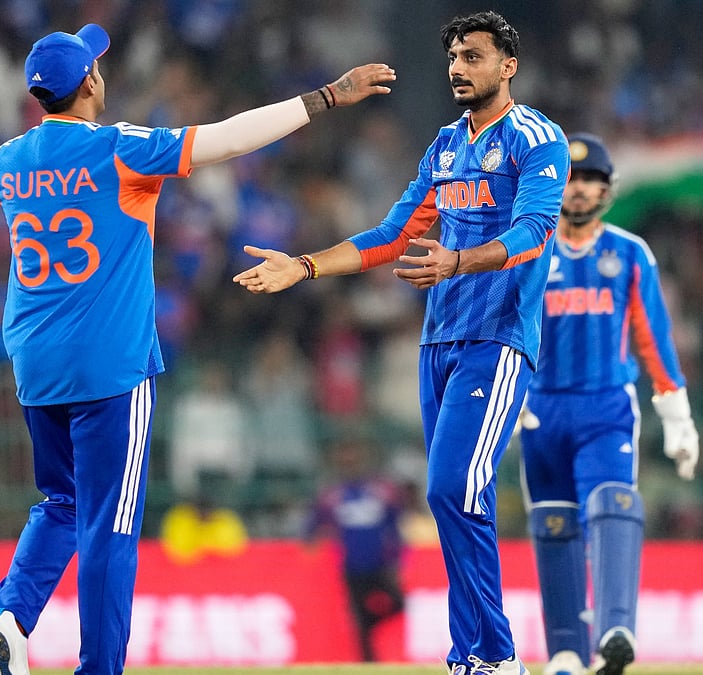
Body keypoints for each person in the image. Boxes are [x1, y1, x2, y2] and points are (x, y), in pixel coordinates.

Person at [0, 22, 395, 675]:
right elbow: (228, 137)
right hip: (111, 365)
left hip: (36, 362)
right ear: (90, 82)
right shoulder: (121, 148)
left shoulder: (11, 158)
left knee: (61, 503)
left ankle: (8, 617)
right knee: (109, 523)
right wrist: (324, 97)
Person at [234, 11, 567, 675]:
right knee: (457, 498)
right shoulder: (445, 146)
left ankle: (496, 654)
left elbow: (535, 231)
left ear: (508, 66)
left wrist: (457, 261)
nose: (457, 68)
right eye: (453, 57)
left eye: (473, 56)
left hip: (498, 338)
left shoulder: (536, 138)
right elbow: (393, 234)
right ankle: (471, 657)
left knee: (451, 486)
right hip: (437, 341)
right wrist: (304, 266)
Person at [514, 133, 700, 675]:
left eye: (591, 180)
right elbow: (504, 325)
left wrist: (677, 415)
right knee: (553, 524)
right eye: (571, 179)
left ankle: (615, 631)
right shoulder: (527, 249)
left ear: (607, 190)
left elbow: (653, 337)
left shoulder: (630, 253)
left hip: (606, 409)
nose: (579, 190)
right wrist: (506, 395)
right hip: (541, 409)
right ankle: (566, 652)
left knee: (612, 504)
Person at [304, 438, 406, 662]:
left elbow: (395, 525)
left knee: (399, 604)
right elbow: (315, 521)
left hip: (380, 563)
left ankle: (369, 623)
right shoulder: (333, 494)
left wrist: (397, 559)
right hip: (352, 565)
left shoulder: (381, 491)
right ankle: (369, 663)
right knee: (359, 618)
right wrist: (313, 539)